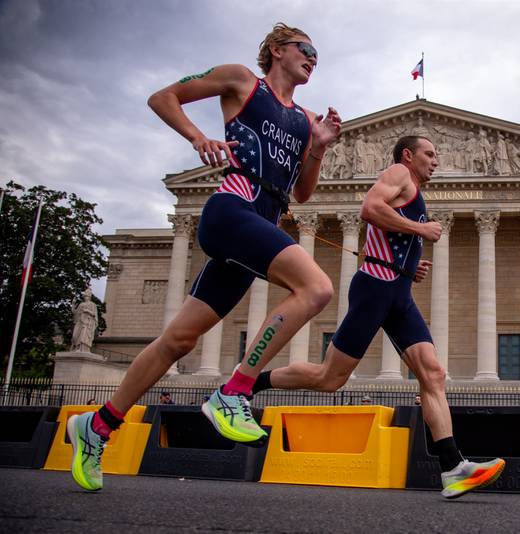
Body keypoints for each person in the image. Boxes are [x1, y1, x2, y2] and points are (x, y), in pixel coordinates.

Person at [66, 22, 341, 492]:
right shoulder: (241, 81)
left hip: (259, 226)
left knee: (178, 342)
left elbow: (302, 193)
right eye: (305, 48)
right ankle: (234, 390)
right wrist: (198, 137)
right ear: (277, 50)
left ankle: (97, 426)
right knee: (317, 289)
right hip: (230, 211)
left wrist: (316, 148)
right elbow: (163, 97)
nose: (313, 58)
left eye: (317, 54)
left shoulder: (304, 120)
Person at [250, 136, 505, 499]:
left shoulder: (413, 189)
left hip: (398, 291)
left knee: (432, 372)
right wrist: (420, 229)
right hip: (375, 288)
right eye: (430, 154)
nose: (435, 161)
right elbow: (370, 209)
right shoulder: (398, 172)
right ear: (408, 155)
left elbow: (386, 234)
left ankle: (453, 467)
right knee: (328, 379)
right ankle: (251, 384)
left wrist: (409, 267)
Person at [70, 288, 98, 353]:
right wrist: (73, 304)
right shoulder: (81, 304)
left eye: (87, 296)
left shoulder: (92, 305)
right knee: (74, 336)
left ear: (89, 297)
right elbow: (75, 312)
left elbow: (94, 314)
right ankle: (76, 347)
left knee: (83, 336)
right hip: (80, 322)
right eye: (85, 296)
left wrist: (87, 311)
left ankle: (82, 348)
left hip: (87, 323)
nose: (86, 297)